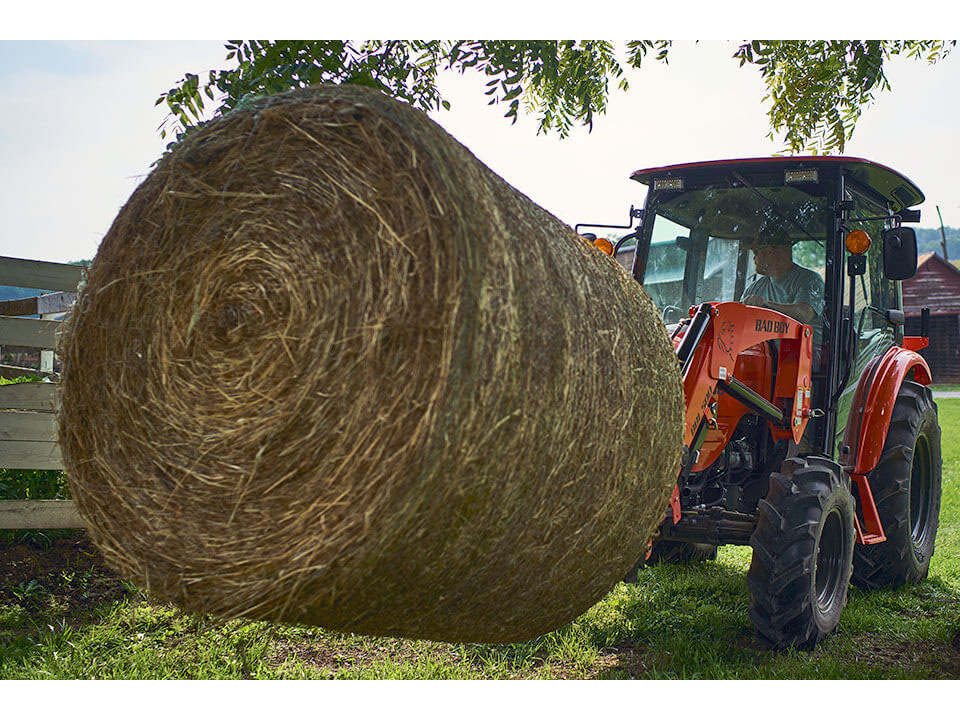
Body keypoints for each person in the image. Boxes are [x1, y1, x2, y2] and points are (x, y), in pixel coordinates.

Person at [741, 232, 824, 325]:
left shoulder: (809, 280)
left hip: (805, 339)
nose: (754, 257)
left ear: (769, 251)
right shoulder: (755, 288)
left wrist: (765, 305)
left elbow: (804, 314)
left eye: (756, 252)